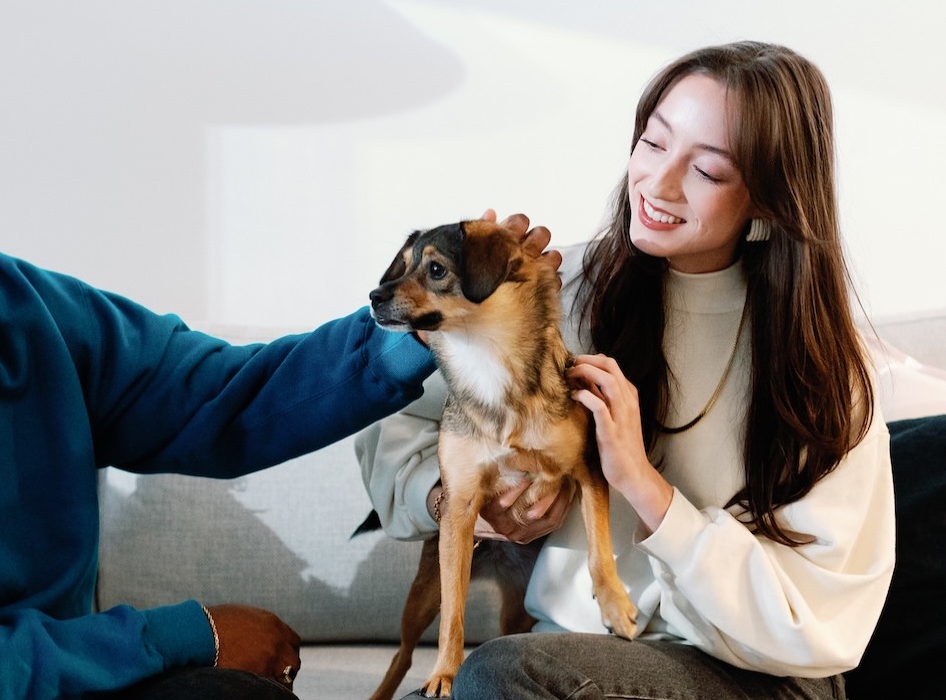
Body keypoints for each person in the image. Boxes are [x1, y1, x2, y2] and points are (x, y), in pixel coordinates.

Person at [0, 85, 555, 700]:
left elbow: (224, 398)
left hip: (45, 677)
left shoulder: (19, 311)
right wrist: (186, 634)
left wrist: (426, 317)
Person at [358, 41, 894, 699]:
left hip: (752, 675)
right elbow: (397, 427)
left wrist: (644, 486)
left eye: (708, 170)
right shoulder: (555, 288)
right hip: (560, 664)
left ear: (768, 197)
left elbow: (824, 623)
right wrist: (462, 503)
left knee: (499, 674)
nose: (658, 184)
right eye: (653, 143)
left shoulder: (821, 365)